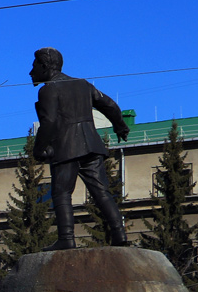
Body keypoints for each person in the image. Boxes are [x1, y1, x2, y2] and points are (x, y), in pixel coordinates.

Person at [31, 47, 130, 250]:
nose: (31, 71)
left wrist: (38, 149)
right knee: (102, 192)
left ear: (44, 66)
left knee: (61, 194)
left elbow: (48, 121)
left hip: (65, 147)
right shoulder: (83, 84)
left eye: (34, 66)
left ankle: (66, 239)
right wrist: (119, 125)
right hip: (92, 146)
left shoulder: (48, 89)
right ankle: (119, 234)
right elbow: (110, 104)